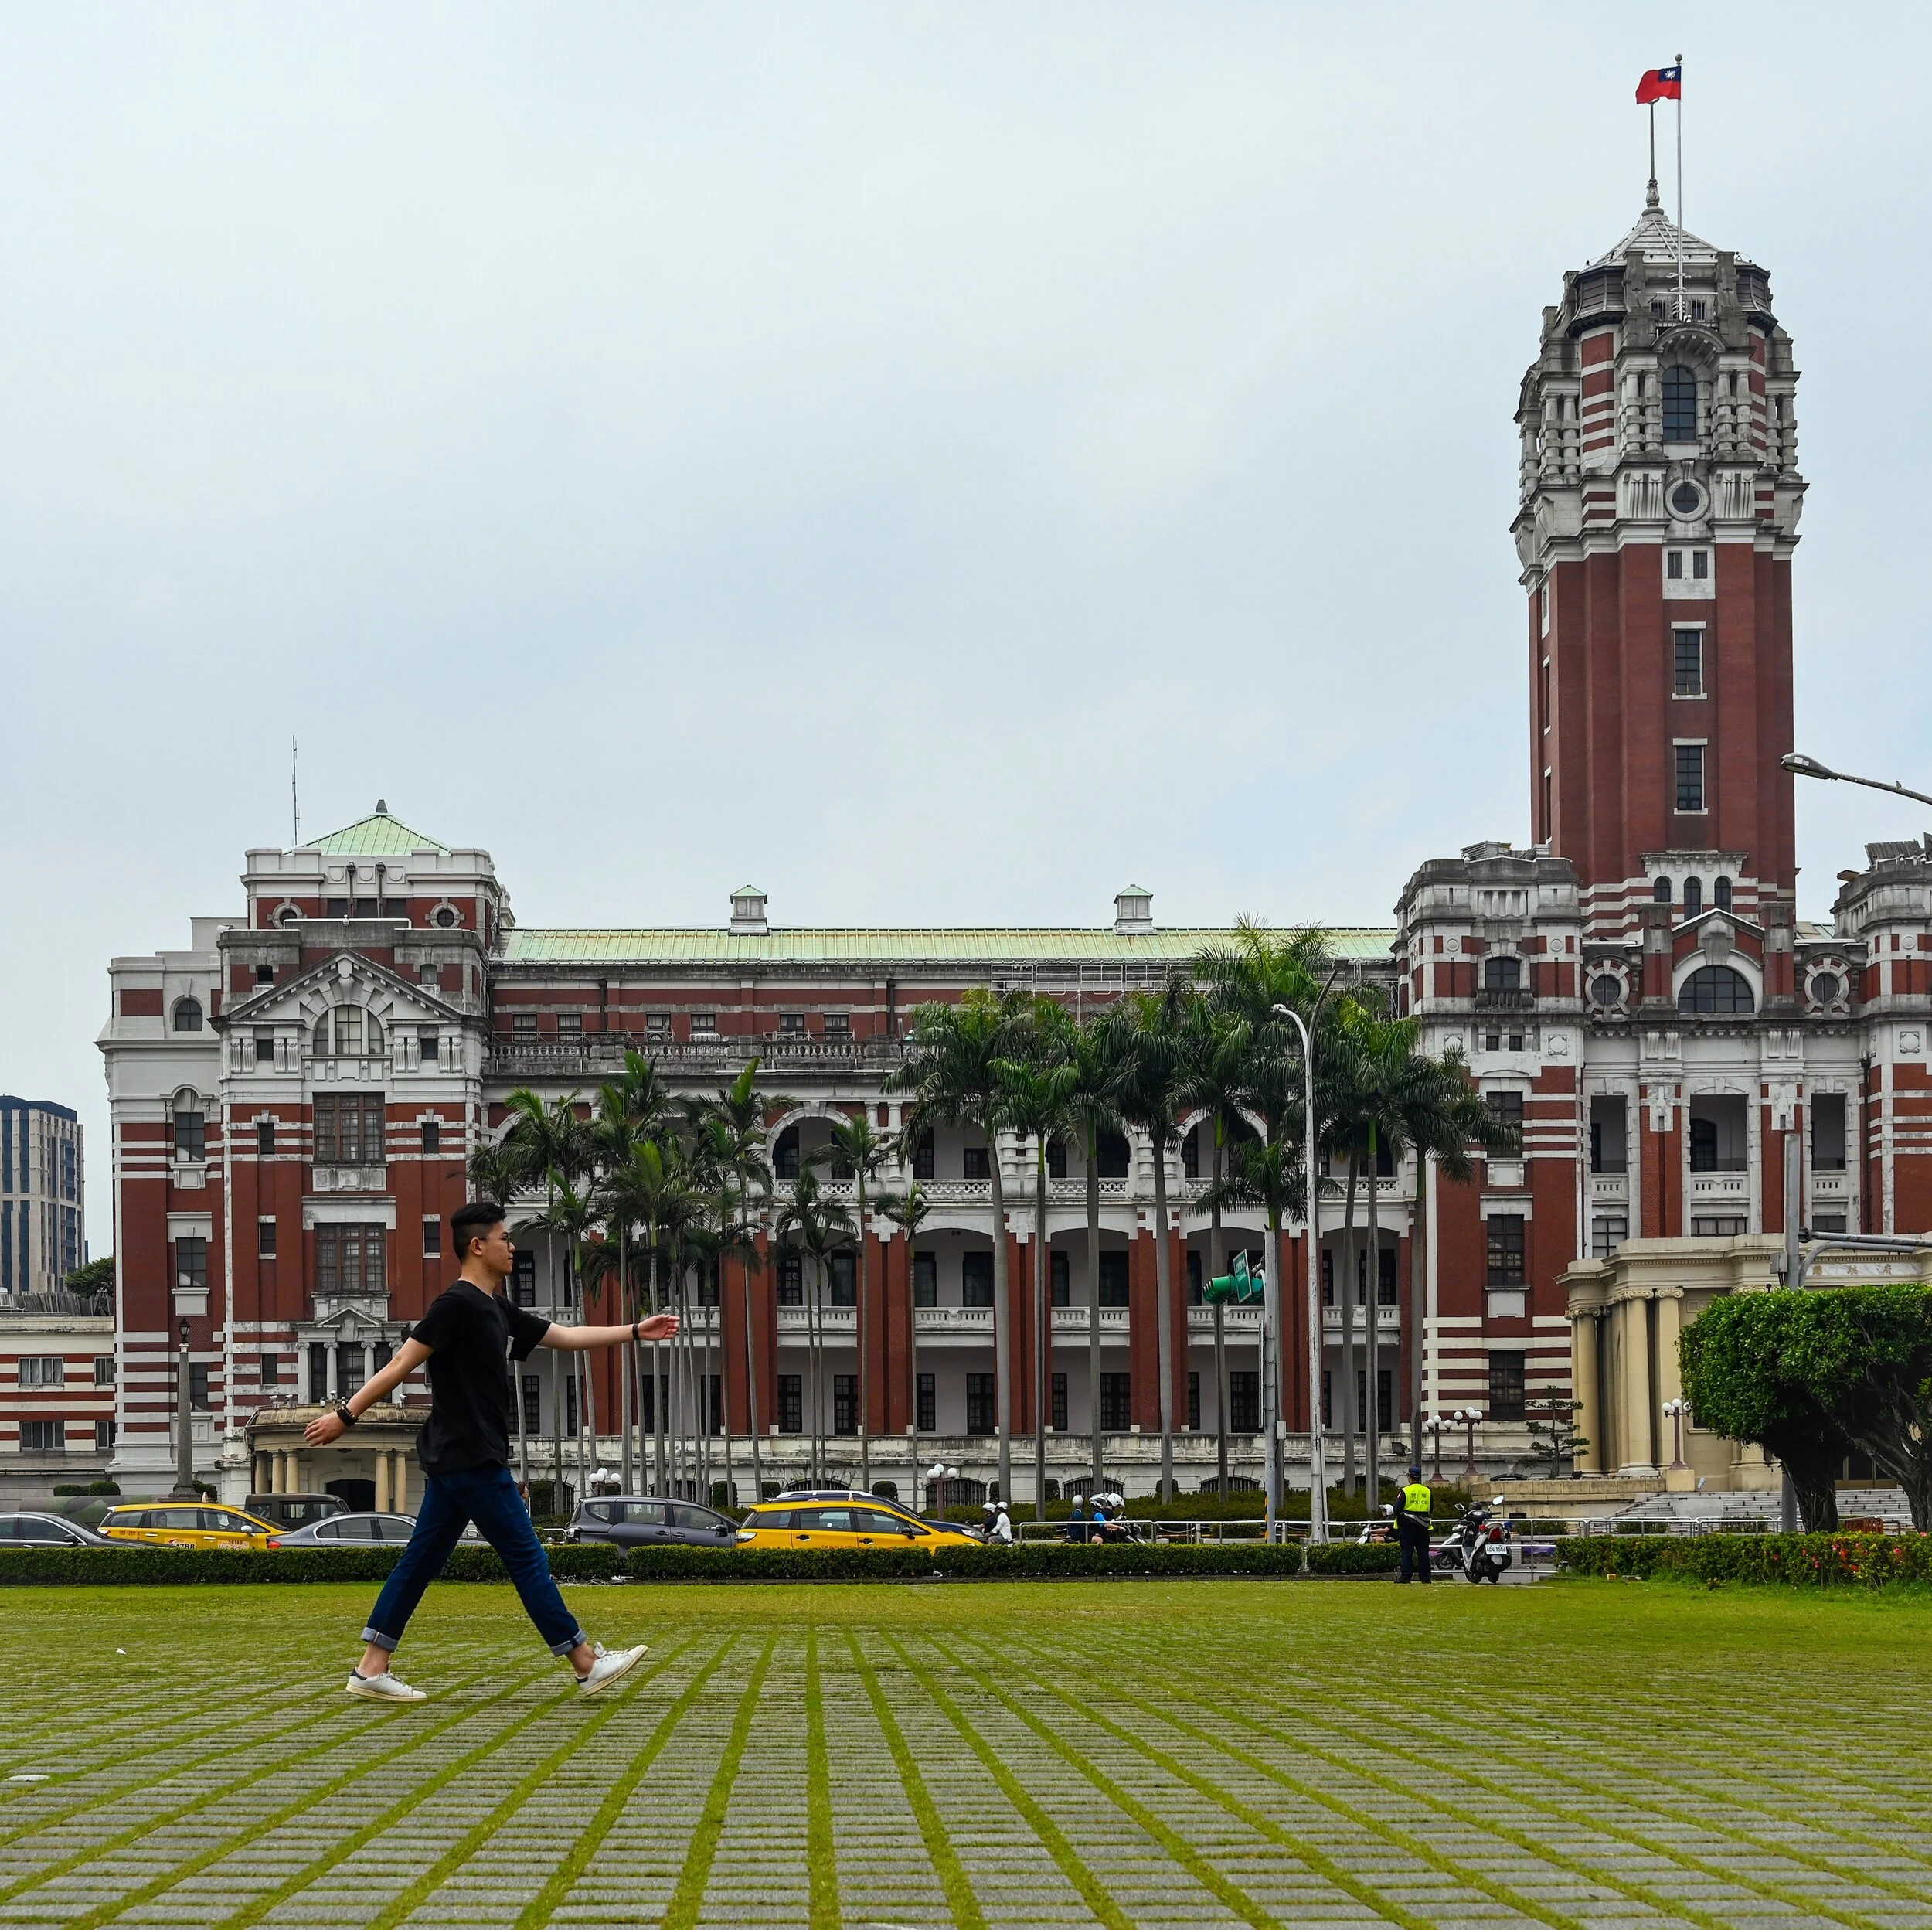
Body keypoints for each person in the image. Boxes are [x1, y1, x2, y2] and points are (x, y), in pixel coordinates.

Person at [304, 1198, 680, 1703]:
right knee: (526, 1557)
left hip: (459, 1459)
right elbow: (401, 1363)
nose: (512, 1246)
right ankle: (586, 1661)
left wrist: (636, 1330)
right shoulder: (455, 1304)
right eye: (504, 1238)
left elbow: (563, 1336)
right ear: (478, 1245)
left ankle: (372, 1666)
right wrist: (345, 1415)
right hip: (471, 1456)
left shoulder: (496, 1307)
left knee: (419, 1562)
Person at [1393, 1464, 1434, 1584]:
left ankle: (1406, 1577)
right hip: (1423, 1527)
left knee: (1407, 1552)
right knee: (1423, 1552)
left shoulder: (1405, 1491)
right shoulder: (1428, 1491)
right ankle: (1426, 1578)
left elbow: (1397, 1509)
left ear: (1409, 1477)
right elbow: (1431, 1509)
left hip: (1407, 1526)